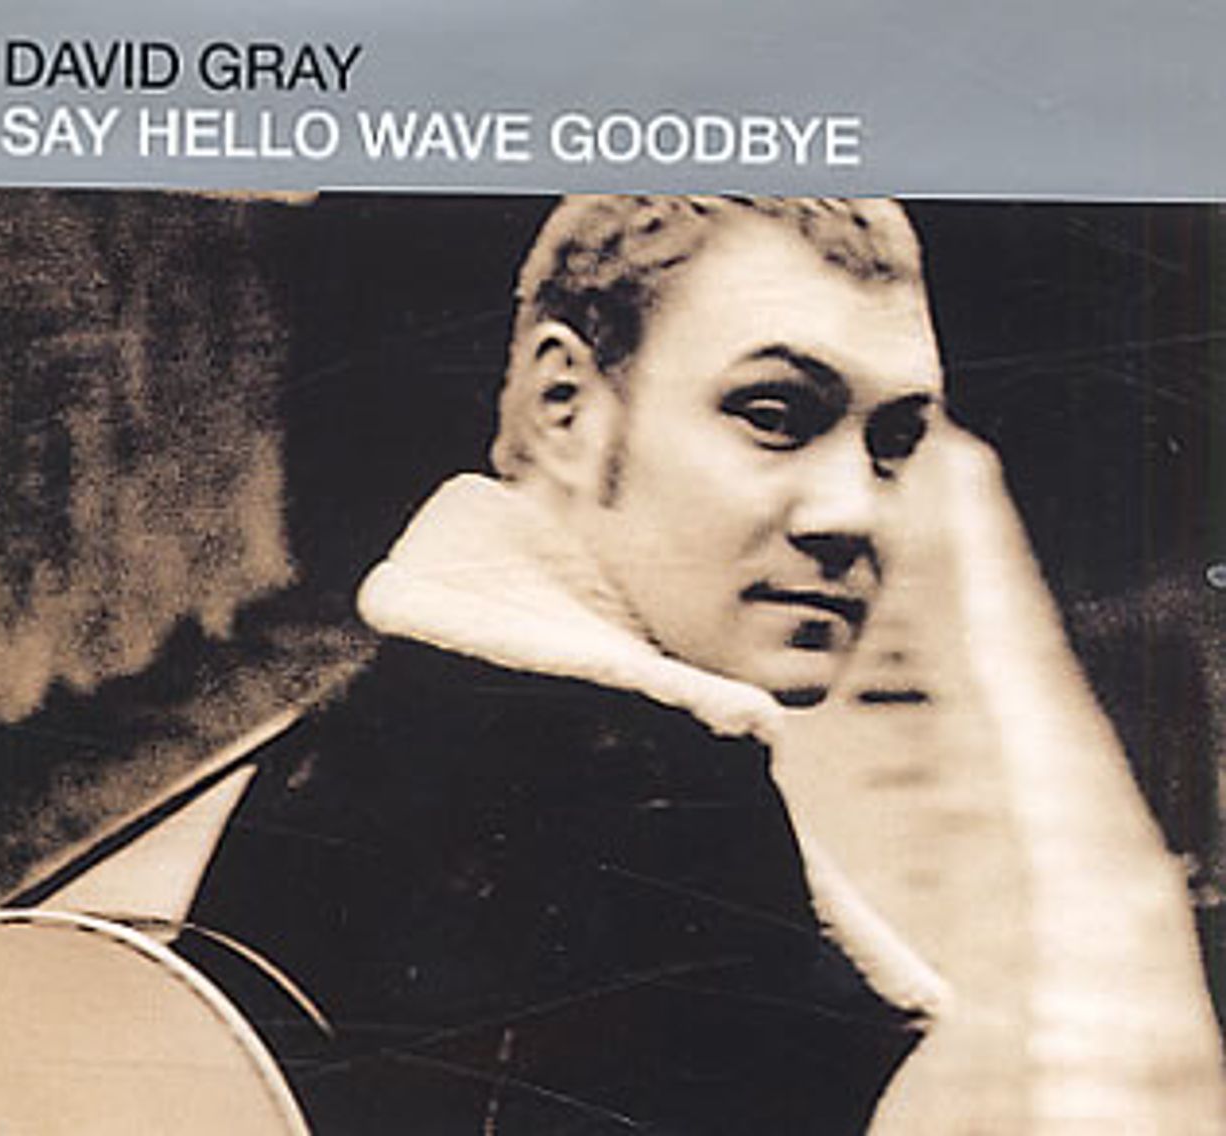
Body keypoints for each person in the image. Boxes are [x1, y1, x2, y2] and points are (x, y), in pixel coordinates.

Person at [164, 195, 951, 1134]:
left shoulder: (386, 715)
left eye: (894, 444)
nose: (850, 512)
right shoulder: (656, 803)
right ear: (564, 409)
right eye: (774, 414)